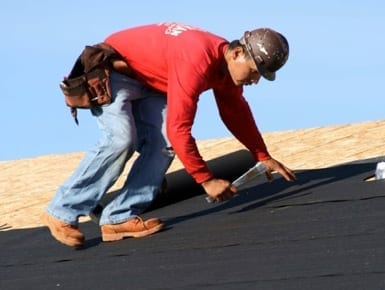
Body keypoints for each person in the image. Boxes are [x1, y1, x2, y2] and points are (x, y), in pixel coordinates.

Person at [43, 22, 297, 247]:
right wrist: (206, 180)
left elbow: (235, 113)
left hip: (151, 81)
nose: (255, 80)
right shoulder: (197, 59)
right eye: (254, 71)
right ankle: (62, 211)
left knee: (163, 142)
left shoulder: (225, 70)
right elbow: (180, 128)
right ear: (238, 53)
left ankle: (118, 217)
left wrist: (263, 156)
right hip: (115, 71)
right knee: (121, 139)